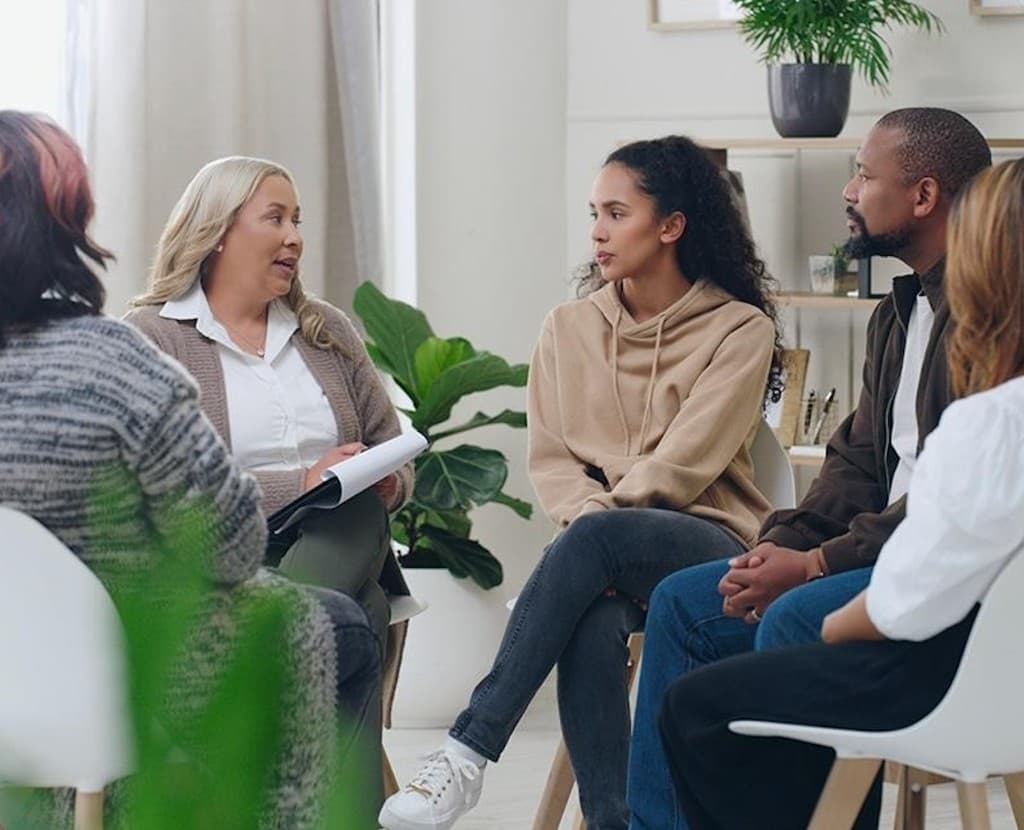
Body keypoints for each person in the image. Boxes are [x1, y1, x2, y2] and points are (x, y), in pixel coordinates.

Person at [379, 135, 784, 830]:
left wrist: (598, 522)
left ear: (672, 225)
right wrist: (593, 523)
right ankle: (613, 821)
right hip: (602, 544)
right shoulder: (568, 328)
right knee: (593, 619)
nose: (596, 231)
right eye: (594, 212)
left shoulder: (738, 330)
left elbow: (686, 461)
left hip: (711, 543)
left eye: (617, 213)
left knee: (596, 543)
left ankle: (468, 750)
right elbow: (552, 459)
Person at [0, 111, 375, 827]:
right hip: (120, 675)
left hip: (13, 686)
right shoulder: (114, 361)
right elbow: (230, 542)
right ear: (62, 225)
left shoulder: (320, 331)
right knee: (337, 628)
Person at [627, 108, 993, 829]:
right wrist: (783, 545)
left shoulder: (988, 318)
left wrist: (815, 567)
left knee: (795, 612)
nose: (849, 191)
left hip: (943, 580)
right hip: (873, 560)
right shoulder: (895, 316)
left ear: (923, 196)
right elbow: (854, 462)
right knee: (683, 603)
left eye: (864, 173)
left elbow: (956, 504)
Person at [125, 156, 413, 805]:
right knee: (356, 619)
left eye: (298, 221)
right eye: (275, 218)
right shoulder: (152, 339)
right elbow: (166, 490)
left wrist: (389, 480)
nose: (294, 237)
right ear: (220, 231)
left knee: (357, 509)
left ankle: (255, 679)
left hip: (341, 535)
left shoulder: (325, 331)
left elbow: (392, 446)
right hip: (220, 563)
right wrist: (303, 481)